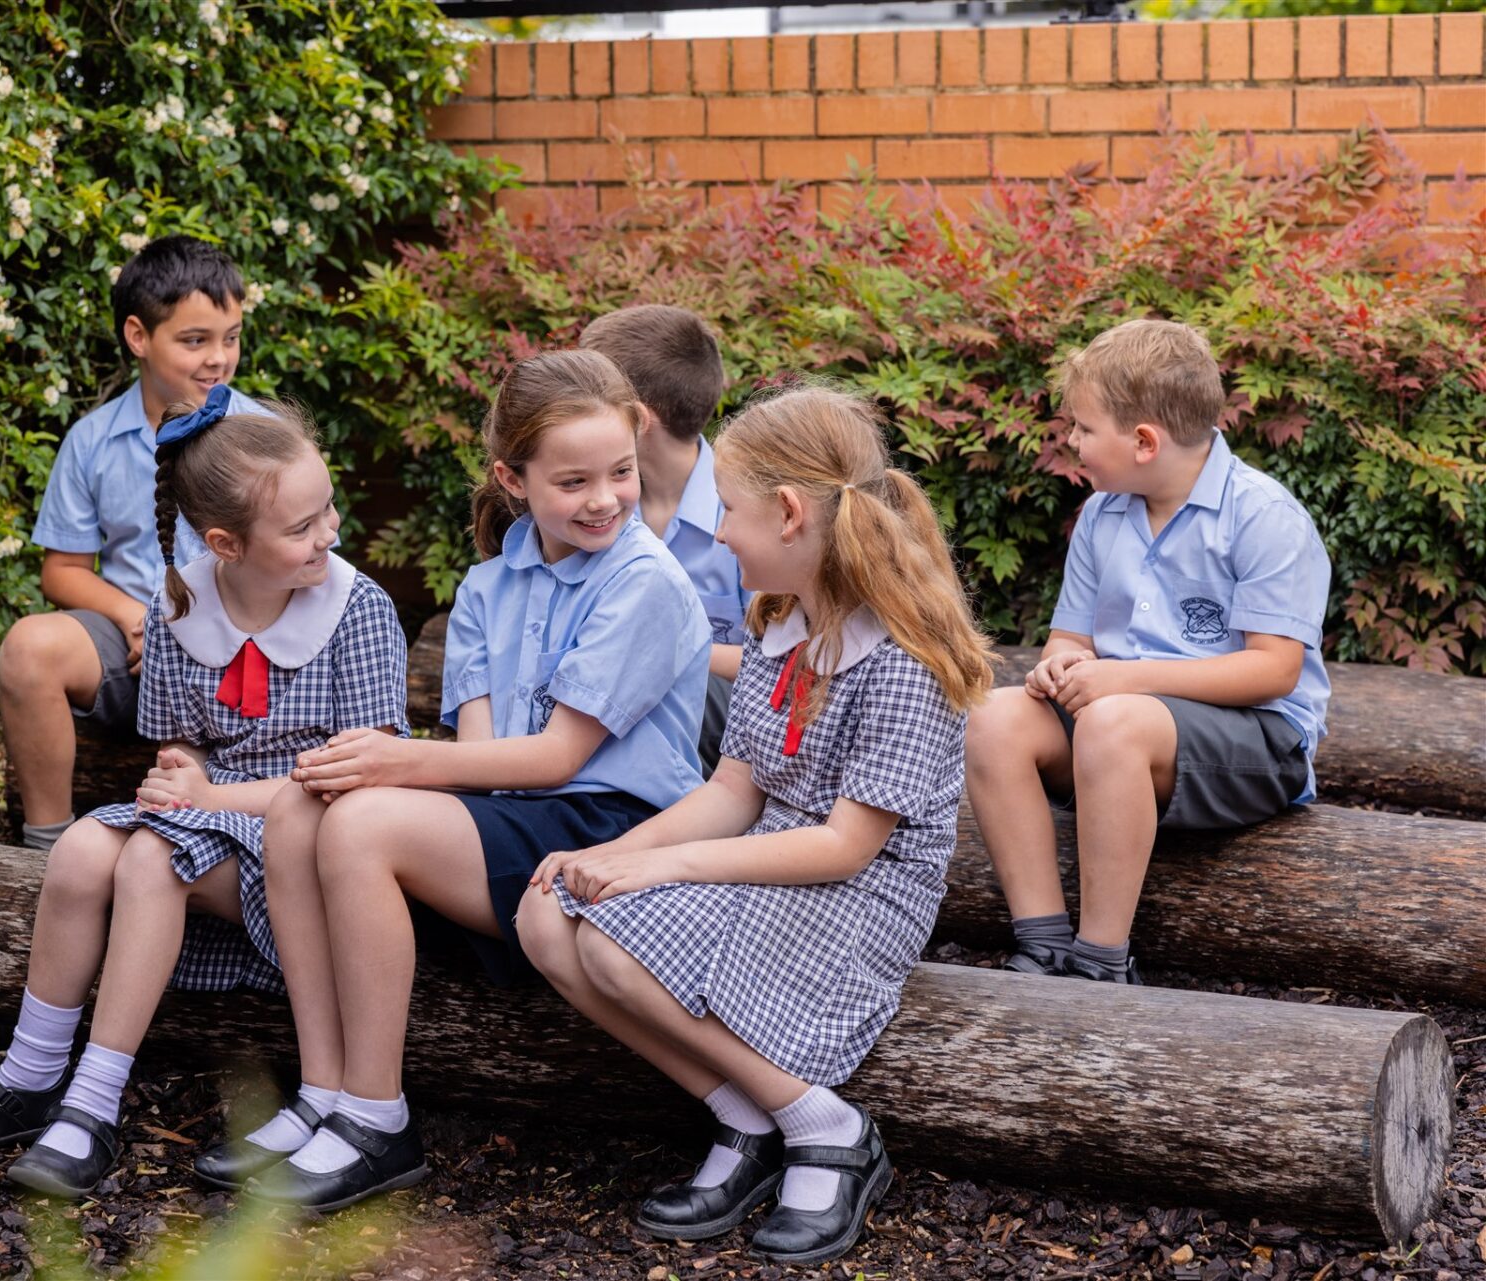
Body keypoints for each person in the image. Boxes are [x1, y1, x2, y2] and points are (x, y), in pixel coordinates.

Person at [190, 350, 709, 1213]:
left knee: (362, 823)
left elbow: (555, 759)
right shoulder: (487, 586)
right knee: (298, 806)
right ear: (512, 479)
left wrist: (394, 764)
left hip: (611, 830)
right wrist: (369, 774)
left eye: (621, 472)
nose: (605, 499)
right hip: (511, 820)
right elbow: (479, 757)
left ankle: (377, 1119)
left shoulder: (644, 579)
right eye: (573, 481)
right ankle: (324, 1090)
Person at [516, 386, 993, 1265]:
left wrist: (669, 869)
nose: (721, 532)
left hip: (860, 893)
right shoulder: (781, 621)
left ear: (789, 513)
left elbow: (847, 845)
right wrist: (611, 854)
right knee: (547, 911)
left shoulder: (900, 660)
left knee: (614, 944)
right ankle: (746, 1112)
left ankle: (827, 1125)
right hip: (770, 857)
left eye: (730, 510)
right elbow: (734, 789)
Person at [0, 389, 409, 1199]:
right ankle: (31, 1074)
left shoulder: (359, 611)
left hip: (306, 841)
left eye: (329, 509)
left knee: (149, 860)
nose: (331, 533)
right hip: (210, 815)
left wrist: (207, 794)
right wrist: (179, 769)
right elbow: (183, 740)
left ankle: (93, 1104)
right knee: (78, 850)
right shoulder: (177, 608)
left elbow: (366, 777)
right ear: (224, 543)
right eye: (303, 526)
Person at [964, 318, 1331, 985]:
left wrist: (1124, 681)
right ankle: (1043, 942)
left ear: (1143, 442)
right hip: (1122, 727)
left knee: (1113, 721)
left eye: (1083, 428)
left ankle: (1101, 961)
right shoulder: (1103, 515)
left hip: (1258, 742)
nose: (1073, 442)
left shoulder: (1262, 516)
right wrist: (1061, 662)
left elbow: (1275, 669)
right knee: (993, 717)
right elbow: (1072, 636)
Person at [3, 236, 269, 851]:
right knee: (29, 647)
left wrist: (196, 634)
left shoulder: (263, 436)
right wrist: (137, 619)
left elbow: (298, 563)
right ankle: (45, 848)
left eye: (231, 337)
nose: (219, 358)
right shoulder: (92, 440)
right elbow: (63, 570)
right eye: (195, 340)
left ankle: (214, 847)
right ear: (138, 336)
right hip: (132, 657)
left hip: (238, 655)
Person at [579, 304, 746, 775]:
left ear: (637, 419)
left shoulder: (746, 513)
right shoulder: (592, 510)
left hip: (723, 735)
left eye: (586, 399)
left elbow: (789, 663)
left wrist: (666, 649)